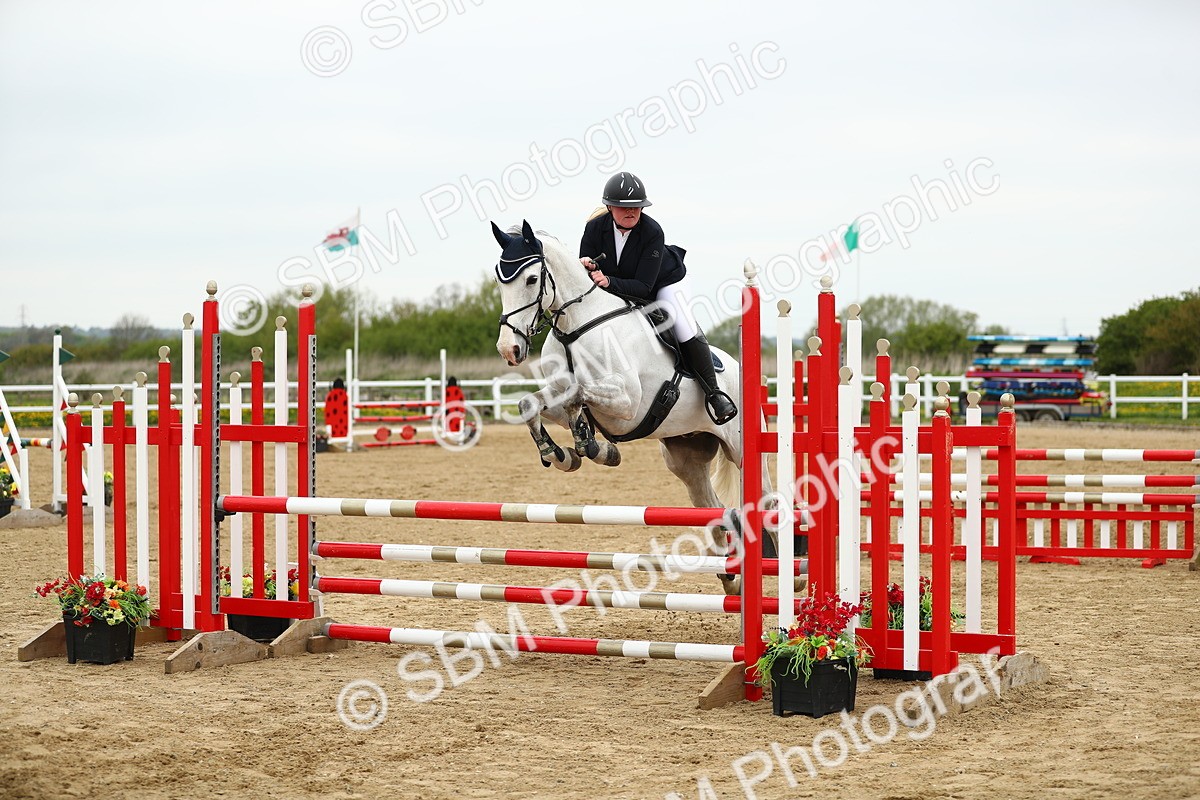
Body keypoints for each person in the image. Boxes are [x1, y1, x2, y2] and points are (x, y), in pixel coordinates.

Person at [578, 171, 737, 425]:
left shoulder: (652, 231)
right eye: (623, 207)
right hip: (618, 286)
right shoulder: (594, 228)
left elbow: (643, 287)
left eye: (636, 206)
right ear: (609, 207)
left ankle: (715, 393)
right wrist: (587, 266)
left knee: (682, 324)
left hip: (664, 283)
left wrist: (608, 281)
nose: (631, 211)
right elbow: (588, 268)